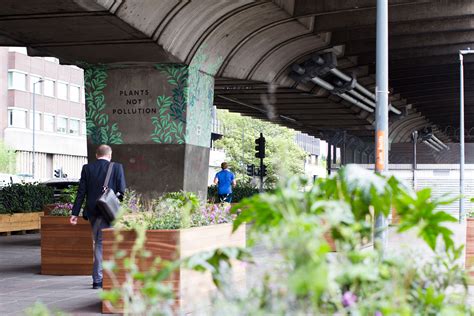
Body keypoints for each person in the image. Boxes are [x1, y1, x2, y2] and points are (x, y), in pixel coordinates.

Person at [70, 144, 126, 289]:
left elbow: (81, 192)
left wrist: (74, 213)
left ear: (96, 155)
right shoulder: (117, 167)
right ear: (110, 155)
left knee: (99, 243)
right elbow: (122, 192)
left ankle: (100, 278)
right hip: (109, 213)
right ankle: (99, 279)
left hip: (93, 212)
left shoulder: (87, 168)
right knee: (105, 244)